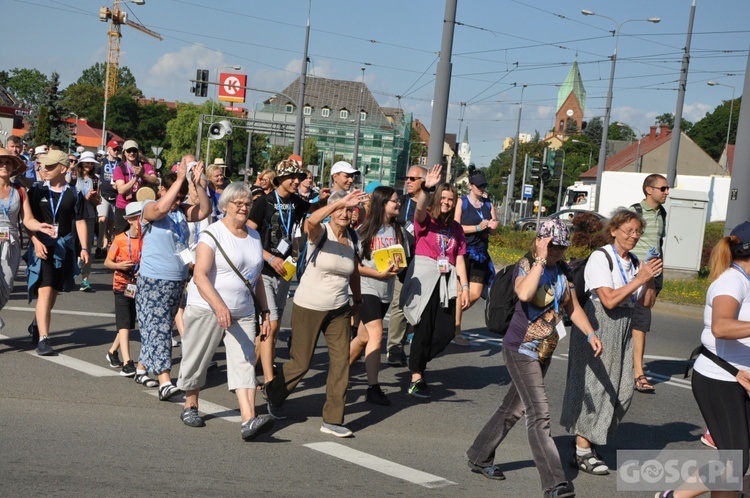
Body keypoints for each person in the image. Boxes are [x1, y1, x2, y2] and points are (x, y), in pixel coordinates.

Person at [466, 219, 602, 497]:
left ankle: (479, 454)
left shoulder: (563, 270)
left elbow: (572, 307)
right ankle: (554, 483)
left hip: (543, 351)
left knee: (513, 408)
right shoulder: (526, 265)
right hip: (520, 349)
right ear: (540, 240)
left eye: (562, 246)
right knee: (539, 416)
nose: (558, 251)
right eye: (552, 245)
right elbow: (525, 293)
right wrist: (540, 259)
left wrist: (590, 334)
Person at [560, 208, 661, 475]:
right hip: (599, 325)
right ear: (613, 230)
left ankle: (589, 437)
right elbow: (608, 299)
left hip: (625, 325)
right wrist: (639, 279)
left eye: (637, 231)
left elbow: (646, 303)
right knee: (595, 389)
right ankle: (582, 449)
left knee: (624, 391)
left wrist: (649, 280)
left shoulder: (637, 261)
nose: (633, 236)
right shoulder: (600, 257)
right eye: (628, 230)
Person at [656, 222, 750, 498]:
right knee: (735, 461)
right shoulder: (731, 281)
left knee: (733, 461)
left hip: (739, 377)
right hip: (720, 379)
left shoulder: (744, 280)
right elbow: (721, 327)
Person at [177, 182, 275, 441]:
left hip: (242, 310)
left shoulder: (254, 236)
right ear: (225, 206)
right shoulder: (212, 234)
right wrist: (219, 306)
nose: (244, 208)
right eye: (238, 204)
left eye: (247, 204)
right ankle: (190, 404)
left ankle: (248, 419)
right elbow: (199, 276)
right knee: (197, 358)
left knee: (244, 362)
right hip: (207, 307)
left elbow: (256, 277)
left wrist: (265, 311)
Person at [263, 189, 364, 437]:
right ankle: (273, 392)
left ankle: (332, 420)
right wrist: (338, 202)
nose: (344, 213)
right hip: (309, 305)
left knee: (341, 363)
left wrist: (358, 301)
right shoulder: (321, 232)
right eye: (340, 209)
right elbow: (312, 221)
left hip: (339, 308)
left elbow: (353, 273)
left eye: (349, 210)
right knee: (301, 363)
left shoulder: (352, 237)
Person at [247, 159, 330, 386]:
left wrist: (321, 201)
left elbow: (311, 212)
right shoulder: (263, 203)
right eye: (292, 178)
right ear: (279, 180)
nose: (297, 181)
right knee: (271, 324)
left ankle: (245, 371)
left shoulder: (296, 201)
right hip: (264, 269)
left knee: (269, 328)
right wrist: (269, 257)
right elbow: (248, 236)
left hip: (285, 271)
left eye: (300, 178)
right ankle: (271, 380)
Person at [134, 160, 211, 400]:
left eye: (180, 198)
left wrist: (197, 185)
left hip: (176, 280)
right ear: (163, 192)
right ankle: (165, 381)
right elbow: (159, 210)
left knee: (158, 327)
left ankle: (141, 368)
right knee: (157, 330)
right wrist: (179, 180)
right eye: (174, 197)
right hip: (153, 279)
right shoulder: (149, 207)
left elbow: (204, 211)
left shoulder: (179, 212)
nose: (178, 202)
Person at [399, 164, 469, 399]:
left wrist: (465, 286)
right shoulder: (426, 219)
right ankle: (417, 376)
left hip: (446, 281)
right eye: (444, 198)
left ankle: (417, 360)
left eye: (451, 199)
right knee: (424, 328)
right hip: (424, 276)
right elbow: (418, 211)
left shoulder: (456, 228)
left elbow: (459, 258)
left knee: (446, 331)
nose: (447, 202)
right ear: (437, 198)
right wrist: (426, 189)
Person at [23, 150, 89, 356]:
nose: (45, 169)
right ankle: (44, 339)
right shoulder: (36, 190)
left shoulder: (73, 193)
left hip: (64, 247)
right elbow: (27, 220)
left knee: (53, 292)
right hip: (42, 246)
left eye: (50, 166)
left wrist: (85, 248)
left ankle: (37, 323)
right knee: (45, 289)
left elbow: (79, 221)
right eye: (44, 166)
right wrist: (34, 241)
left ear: (63, 168)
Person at [349, 186, 403, 406]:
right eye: (394, 201)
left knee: (363, 337)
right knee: (377, 333)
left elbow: (399, 259)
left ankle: (338, 371)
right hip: (366, 287)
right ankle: (373, 387)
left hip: (385, 290)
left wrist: (397, 268)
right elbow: (354, 265)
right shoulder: (365, 230)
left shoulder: (397, 231)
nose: (398, 204)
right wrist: (377, 273)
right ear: (383, 203)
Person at [629, 174, 668, 393]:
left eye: (667, 188)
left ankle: (633, 367)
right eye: (662, 188)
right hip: (635, 273)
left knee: (639, 320)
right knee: (639, 321)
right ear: (649, 190)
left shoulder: (662, 213)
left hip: (654, 273)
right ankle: (638, 373)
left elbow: (658, 242)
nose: (666, 192)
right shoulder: (635, 211)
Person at [386, 165, 428, 367]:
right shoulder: (400, 202)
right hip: (402, 259)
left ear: (425, 182)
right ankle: (394, 347)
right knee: (398, 303)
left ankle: (412, 338)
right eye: (407, 177)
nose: (408, 181)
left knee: (422, 305)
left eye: (413, 178)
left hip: (426, 260)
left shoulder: (432, 204)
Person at [453, 170, 499, 345]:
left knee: (475, 293)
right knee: (459, 292)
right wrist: (478, 228)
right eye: (479, 186)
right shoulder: (461, 202)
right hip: (463, 251)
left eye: (484, 185)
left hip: (480, 253)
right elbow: (456, 227)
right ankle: (456, 331)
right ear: (471, 186)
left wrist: (493, 226)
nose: (482, 188)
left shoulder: (489, 204)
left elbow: (493, 232)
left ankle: (451, 317)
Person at [103, 201, 144, 377]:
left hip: (137, 286)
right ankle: (128, 362)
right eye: (139, 218)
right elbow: (107, 262)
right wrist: (120, 265)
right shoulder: (120, 239)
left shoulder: (145, 239)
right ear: (131, 220)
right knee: (125, 323)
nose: (142, 221)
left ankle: (112, 352)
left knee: (128, 322)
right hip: (121, 285)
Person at [0, 147, 29, 328]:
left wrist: (41, 229)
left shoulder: (19, 190)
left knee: (6, 287)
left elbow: (28, 219)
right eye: (1, 162)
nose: (4, 165)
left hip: (11, 245)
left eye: (8, 162)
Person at [113, 140, 158, 234]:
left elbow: (156, 181)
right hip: (124, 207)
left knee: (142, 235)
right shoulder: (120, 168)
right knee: (121, 236)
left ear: (138, 152)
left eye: (134, 150)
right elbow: (121, 190)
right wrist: (135, 178)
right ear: (124, 153)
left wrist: (143, 174)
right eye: (129, 151)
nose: (132, 153)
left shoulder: (145, 166)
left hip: (141, 207)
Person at [75, 152, 101, 292]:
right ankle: (65, 276)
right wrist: (84, 196)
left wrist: (92, 197)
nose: (89, 165)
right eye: (87, 163)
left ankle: (85, 279)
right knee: (71, 246)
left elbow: (98, 201)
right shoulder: (73, 178)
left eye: (91, 163)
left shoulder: (96, 180)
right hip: (74, 217)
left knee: (87, 248)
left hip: (89, 216)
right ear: (81, 164)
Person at [95, 140, 121, 257]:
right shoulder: (101, 162)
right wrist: (96, 192)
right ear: (108, 149)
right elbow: (95, 179)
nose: (116, 151)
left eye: (118, 149)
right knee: (102, 220)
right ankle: (99, 246)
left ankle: (107, 244)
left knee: (111, 223)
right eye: (114, 149)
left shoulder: (120, 163)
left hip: (116, 196)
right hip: (103, 195)